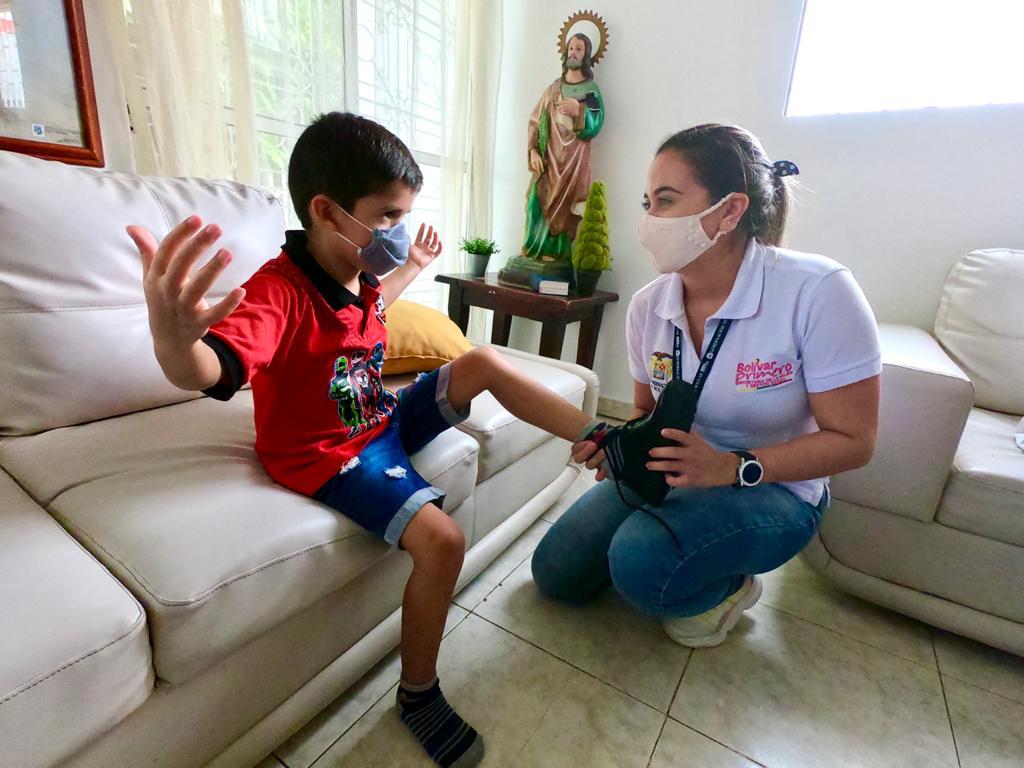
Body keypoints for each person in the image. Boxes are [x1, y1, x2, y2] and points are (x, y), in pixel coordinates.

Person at [127, 112, 604, 768]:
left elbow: (373, 309)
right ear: (326, 211)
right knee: (443, 540)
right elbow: (214, 368)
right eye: (386, 216)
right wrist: (174, 343)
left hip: (379, 417)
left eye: (403, 215)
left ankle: (605, 437)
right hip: (329, 451)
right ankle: (417, 695)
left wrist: (413, 265)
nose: (397, 230)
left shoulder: (362, 273)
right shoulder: (278, 293)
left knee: (486, 362)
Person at [531, 123, 882, 649]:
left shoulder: (818, 291)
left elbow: (855, 443)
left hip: (774, 488)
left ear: (730, 211)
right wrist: (620, 445)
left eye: (666, 201)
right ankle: (670, 544)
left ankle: (730, 588)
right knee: (555, 574)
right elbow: (647, 414)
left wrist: (729, 466)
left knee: (638, 562)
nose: (648, 220)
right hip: (676, 473)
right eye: (647, 202)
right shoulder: (650, 305)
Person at [521, 32, 605, 260]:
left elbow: (596, 123)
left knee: (565, 207)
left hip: (573, 162)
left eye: (579, 48)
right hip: (548, 158)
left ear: (586, 54)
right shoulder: (554, 88)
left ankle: (556, 255)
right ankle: (531, 252)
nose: (573, 52)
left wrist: (579, 111)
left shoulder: (591, 89)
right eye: (571, 48)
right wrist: (533, 150)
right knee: (534, 203)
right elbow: (535, 120)